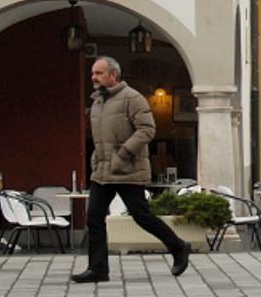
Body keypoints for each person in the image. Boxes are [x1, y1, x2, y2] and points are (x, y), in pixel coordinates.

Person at [72, 57, 191, 284]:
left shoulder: (132, 98)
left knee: (141, 215)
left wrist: (123, 154)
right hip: (103, 172)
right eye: (92, 73)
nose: (93, 77)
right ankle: (97, 269)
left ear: (113, 75)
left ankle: (178, 247)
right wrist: (97, 159)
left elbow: (147, 129)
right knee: (94, 217)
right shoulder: (97, 102)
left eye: (98, 73)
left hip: (128, 169)